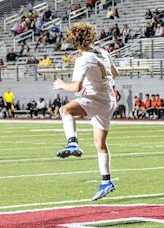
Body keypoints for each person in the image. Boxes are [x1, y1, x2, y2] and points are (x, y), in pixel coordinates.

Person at [53, 22, 118, 201]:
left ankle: (72, 143)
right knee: (100, 144)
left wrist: (60, 85)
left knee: (65, 110)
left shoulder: (83, 59)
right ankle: (106, 182)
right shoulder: (102, 52)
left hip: (95, 98)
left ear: (74, 41)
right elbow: (116, 73)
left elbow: (76, 87)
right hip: (109, 100)